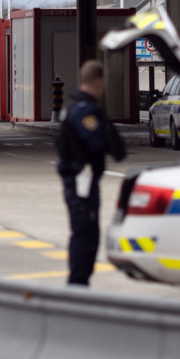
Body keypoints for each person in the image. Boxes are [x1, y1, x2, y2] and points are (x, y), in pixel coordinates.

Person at [56, 59, 127, 286]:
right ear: (97, 81)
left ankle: (79, 282)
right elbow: (97, 142)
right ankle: (77, 284)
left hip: (82, 180)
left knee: (87, 233)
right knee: (85, 234)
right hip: (80, 180)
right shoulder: (84, 111)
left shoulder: (75, 107)